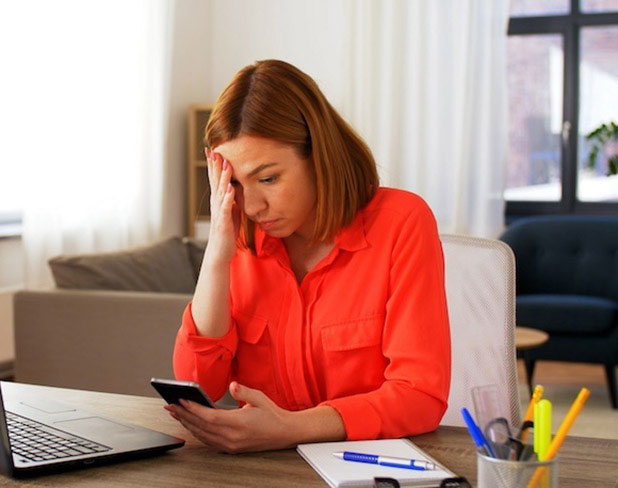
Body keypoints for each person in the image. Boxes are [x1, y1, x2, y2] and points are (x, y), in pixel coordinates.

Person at [167, 59, 450, 453]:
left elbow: (420, 396)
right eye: (235, 183)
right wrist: (216, 255)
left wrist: (292, 428)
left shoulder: (402, 223)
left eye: (268, 178)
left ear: (319, 156)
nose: (251, 206)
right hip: (263, 470)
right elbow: (199, 387)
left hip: (368, 466)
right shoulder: (239, 237)